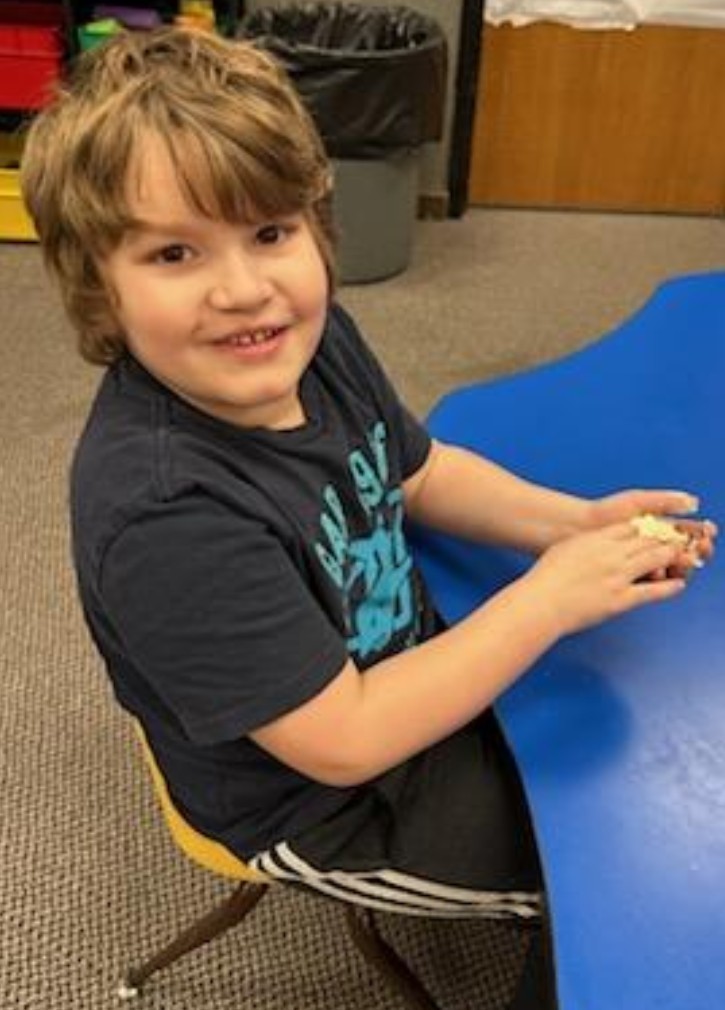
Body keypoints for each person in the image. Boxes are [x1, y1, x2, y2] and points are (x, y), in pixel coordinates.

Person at [21, 27, 714, 1008]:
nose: (244, 289)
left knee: (629, 743)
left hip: (395, 667)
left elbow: (417, 471)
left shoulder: (307, 341)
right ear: (101, 285)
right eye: (175, 252)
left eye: (270, 232)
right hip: (331, 798)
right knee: (610, 875)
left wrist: (569, 522)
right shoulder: (168, 510)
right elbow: (341, 738)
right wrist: (545, 603)